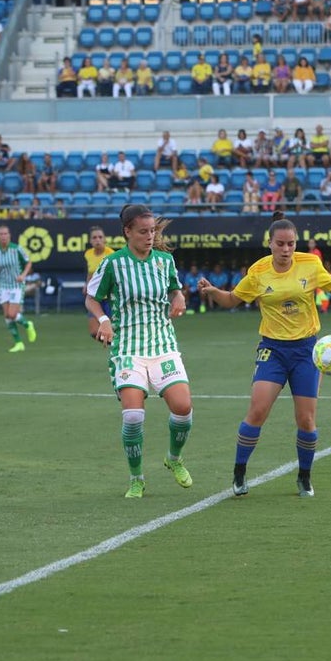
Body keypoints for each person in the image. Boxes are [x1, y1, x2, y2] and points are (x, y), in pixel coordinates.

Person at [197, 218, 331, 498]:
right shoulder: (258, 271)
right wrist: (213, 291)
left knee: (306, 420)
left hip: (306, 351)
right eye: (280, 244)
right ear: (270, 244)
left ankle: (304, 477)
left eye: (291, 244)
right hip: (272, 350)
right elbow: (232, 299)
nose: (286, 249)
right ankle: (239, 472)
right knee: (257, 411)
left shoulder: (310, 263)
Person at [84, 205, 194, 499]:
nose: (150, 237)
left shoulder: (165, 261)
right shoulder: (113, 264)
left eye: (153, 231)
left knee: (183, 408)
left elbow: (174, 289)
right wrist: (103, 320)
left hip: (162, 345)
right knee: (133, 416)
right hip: (128, 349)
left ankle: (174, 459)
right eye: (143, 232)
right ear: (127, 232)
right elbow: (91, 298)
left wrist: (179, 297)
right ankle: (137, 479)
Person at [0, 225, 38, 353]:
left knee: (12, 314)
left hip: (16, 285)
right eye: (1, 234)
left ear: (9, 235)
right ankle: (18, 343)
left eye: (5, 234)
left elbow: (28, 262)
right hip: (3, 286)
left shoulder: (17, 249)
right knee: (7, 316)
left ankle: (27, 324)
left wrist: (23, 275)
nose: (3, 236)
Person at [83, 225, 115, 338]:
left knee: (112, 329)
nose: (98, 240)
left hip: (109, 298)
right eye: (94, 237)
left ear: (104, 239)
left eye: (100, 237)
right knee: (94, 331)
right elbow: (90, 272)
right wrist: (86, 285)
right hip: (94, 298)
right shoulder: (88, 254)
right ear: (90, 240)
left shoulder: (111, 255)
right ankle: (115, 344)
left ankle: (119, 346)